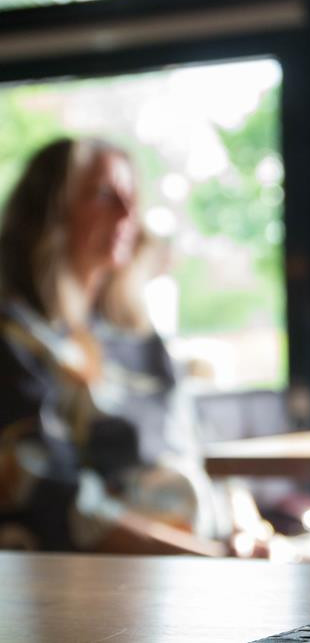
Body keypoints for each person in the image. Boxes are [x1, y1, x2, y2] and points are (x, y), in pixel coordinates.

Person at [0, 137, 232, 554]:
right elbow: (50, 496)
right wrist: (205, 557)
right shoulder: (16, 339)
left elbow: (189, 452)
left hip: (193, 553)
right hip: (93, 572)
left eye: (131, 197)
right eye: (104, 195)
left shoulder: (134, 334)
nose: (128, 214)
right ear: (51, 212)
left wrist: (243, 528)